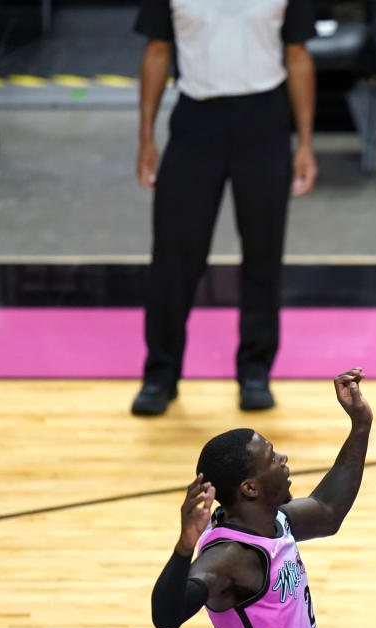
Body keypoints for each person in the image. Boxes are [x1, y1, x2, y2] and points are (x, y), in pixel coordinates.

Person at [131, 0, 318, 416]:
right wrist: (146, 137)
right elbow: (157, 51)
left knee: (263, 251)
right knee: (174, 255)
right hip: (196, 120)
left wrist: (304, 143)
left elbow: (298, 56)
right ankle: (160, 373)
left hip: (265, 119)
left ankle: (255, 371)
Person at [150, 368, 372, 628]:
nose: (283, 458)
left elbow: (328, 511)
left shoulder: (274, 521)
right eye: (271, 457)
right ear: (250, 488)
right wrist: (184, 548)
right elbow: (166, 618)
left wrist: (360, 425)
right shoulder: (230, 558)